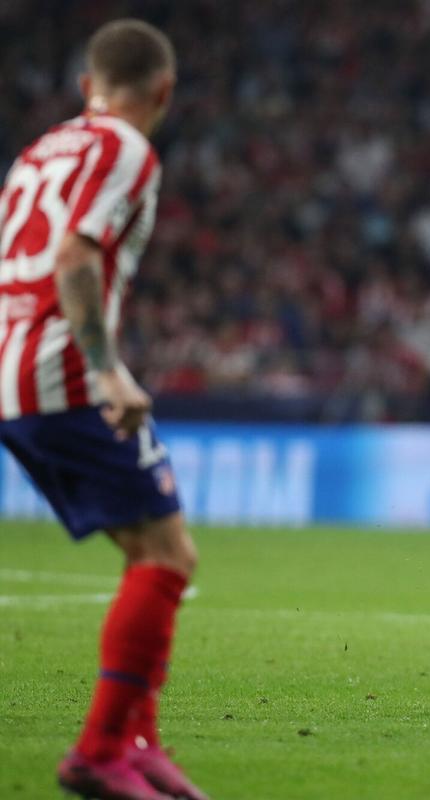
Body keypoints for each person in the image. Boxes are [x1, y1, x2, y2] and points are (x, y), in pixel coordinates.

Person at [0, 19, 206, 800]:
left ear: (87, 86)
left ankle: (135, 741)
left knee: (162, 552)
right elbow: (77, 256)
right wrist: (108, 370)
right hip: (63, 373)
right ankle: (101, 749)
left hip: (12, 367)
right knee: (164, 557)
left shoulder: (37, 152)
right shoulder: (125, 147)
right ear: (164, 92)